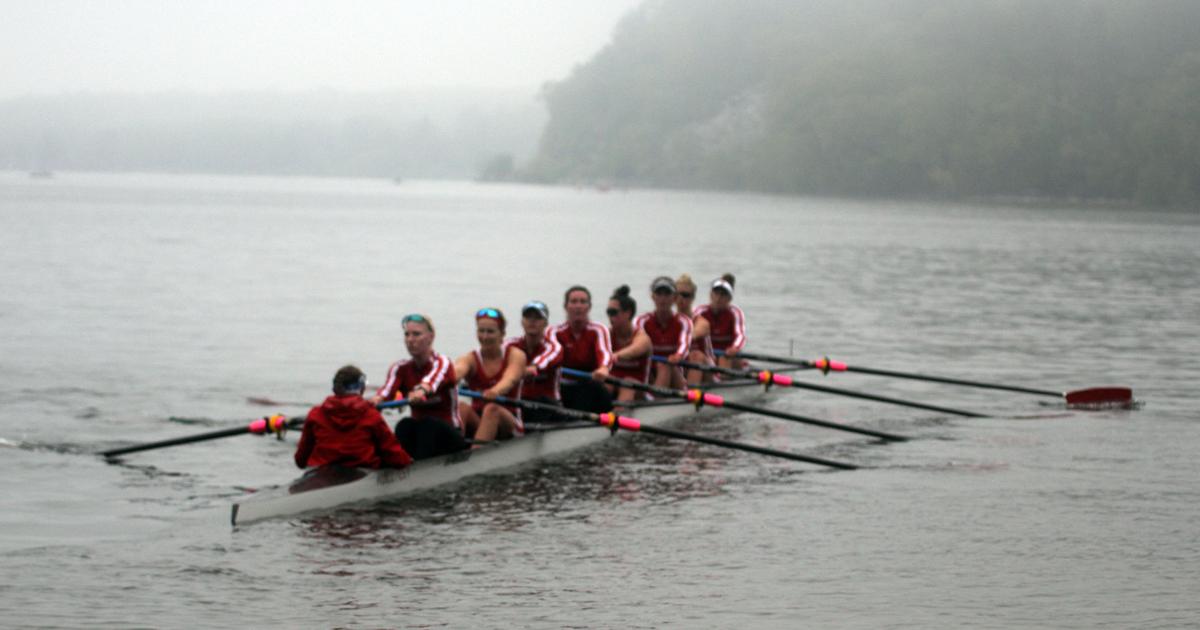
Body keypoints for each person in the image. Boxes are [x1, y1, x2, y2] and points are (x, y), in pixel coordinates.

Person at [371, 313, 469, 459]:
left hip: (449, 433)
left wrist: (421, 391)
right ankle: (402, 465)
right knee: (404, 425)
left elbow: (432, 381)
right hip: (422, 435)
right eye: (407, 335)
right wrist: (376, 400)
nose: (410, 340)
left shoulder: (443, 362)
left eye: (416, 334)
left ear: (431, 337)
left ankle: (418, 470)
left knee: (428, 424)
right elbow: (386, 392)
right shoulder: (400, 368)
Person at [294, 365, 413, 469]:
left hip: (319, 474)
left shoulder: (315, 414)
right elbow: (394, 454)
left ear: (334, 389)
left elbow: (300, 460)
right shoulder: (370, 415)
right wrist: (408, 464)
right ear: (361, 389)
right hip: (362, 476)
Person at [454, 307, 527, 443]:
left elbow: (510, 379)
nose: (485, 337)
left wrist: (495, 391)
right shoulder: (469, 358)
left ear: (502, 334)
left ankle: (476, 456)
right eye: (481, 331)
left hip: (509, 423)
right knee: (462, 407)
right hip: (480, 420)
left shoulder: (516, 355)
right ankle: (452, 450)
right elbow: (455, 373)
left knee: (491, 409)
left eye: (490, 332)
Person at [554, 285, 614, 412]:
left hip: (589, 384)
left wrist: (603, 368)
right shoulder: (555, 332)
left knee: (593, 389)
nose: (578, 306)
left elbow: (605, 352)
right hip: (562, 386)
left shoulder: (598, 330)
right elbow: (550, 356)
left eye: (583, 302)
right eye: (574, 301)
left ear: (589, 307)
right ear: (566, 307)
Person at [506, 300, 567, 422]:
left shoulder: (554, 347)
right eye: (528, 317)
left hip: (547, 405)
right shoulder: (509, 345)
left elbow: (535, 367)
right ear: (522, 322)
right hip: (518, 402)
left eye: (538, 318)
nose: (532, 321)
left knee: (541, 401)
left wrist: (524, 370)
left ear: (545, 323)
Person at [633, 276, 694, 388]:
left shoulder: (684, 321)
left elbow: (684, 346)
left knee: (665, 365)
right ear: (653, 297)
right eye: (659, 294)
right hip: (649, 371)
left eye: (667, 294)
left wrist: (678, 356)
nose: (662, 299)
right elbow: (636, 345)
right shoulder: (641, 321)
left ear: (674, 298)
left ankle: (656, 400)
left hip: (676, 371)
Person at [606, 285, 652, 402]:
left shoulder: (642, 337)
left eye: (614, 312)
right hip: (614, 384)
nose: (610, 317)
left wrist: (616, 356)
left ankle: (618, 414)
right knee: (606, 382)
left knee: (627, 384)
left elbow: (635, 349)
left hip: (639, 389)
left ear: (628, 313)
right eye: (608, 312)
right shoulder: (606, 334)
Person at [696, 273, 747, 370]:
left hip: (728, 355)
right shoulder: (700, 311)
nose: (718, 298)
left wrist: (735, 348)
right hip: (709, 355)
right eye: (716, 293)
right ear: (711, 295)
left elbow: (740, 335)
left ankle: (722, 379)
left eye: (723, 294)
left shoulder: (735, 313)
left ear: (729, 298)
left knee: (724, 358)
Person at [675, 273, 714, 384]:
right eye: (677, 294)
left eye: (685, 295)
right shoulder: (670, 322)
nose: (681, 298)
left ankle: (691, 394)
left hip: (706, 368)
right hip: (682, 365)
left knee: (695, 355)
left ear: (692, 298)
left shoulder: (701, 322)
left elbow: (693, 334)